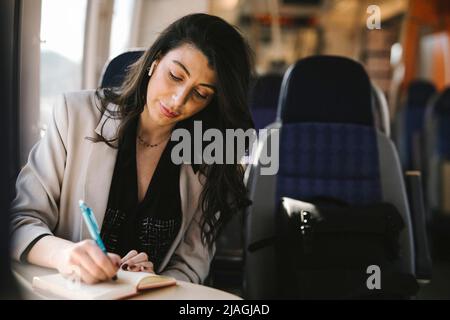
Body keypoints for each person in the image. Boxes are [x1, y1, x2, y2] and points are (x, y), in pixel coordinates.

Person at [10, 13, 254, 285]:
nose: (178, 100)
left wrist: (154, 281)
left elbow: (190, 265)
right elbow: (19, 221)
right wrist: (65, 255)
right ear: (155, 61)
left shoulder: (209, 157)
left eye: (200, 94)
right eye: (175, 76)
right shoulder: (74, 115)